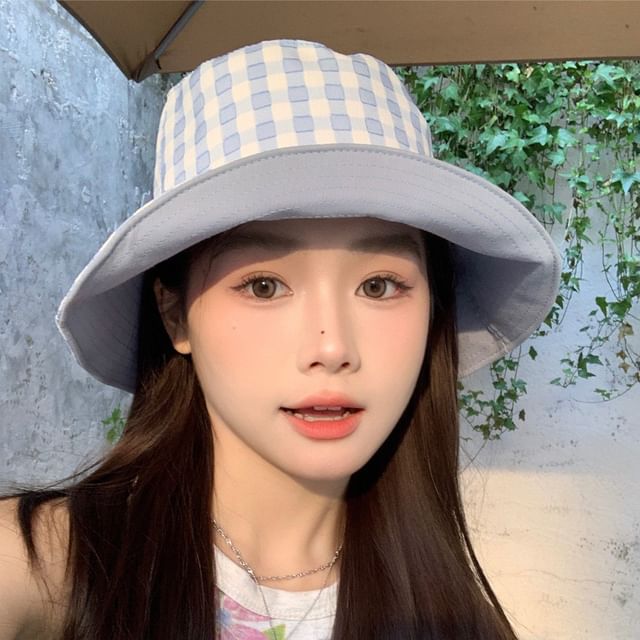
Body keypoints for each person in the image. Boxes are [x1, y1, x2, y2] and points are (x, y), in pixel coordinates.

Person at [0, 38, 560, 639]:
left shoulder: (452, 615)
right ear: (176, 316)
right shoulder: (47, 566)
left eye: (378, 286)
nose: (331, 347)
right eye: (264, 286)